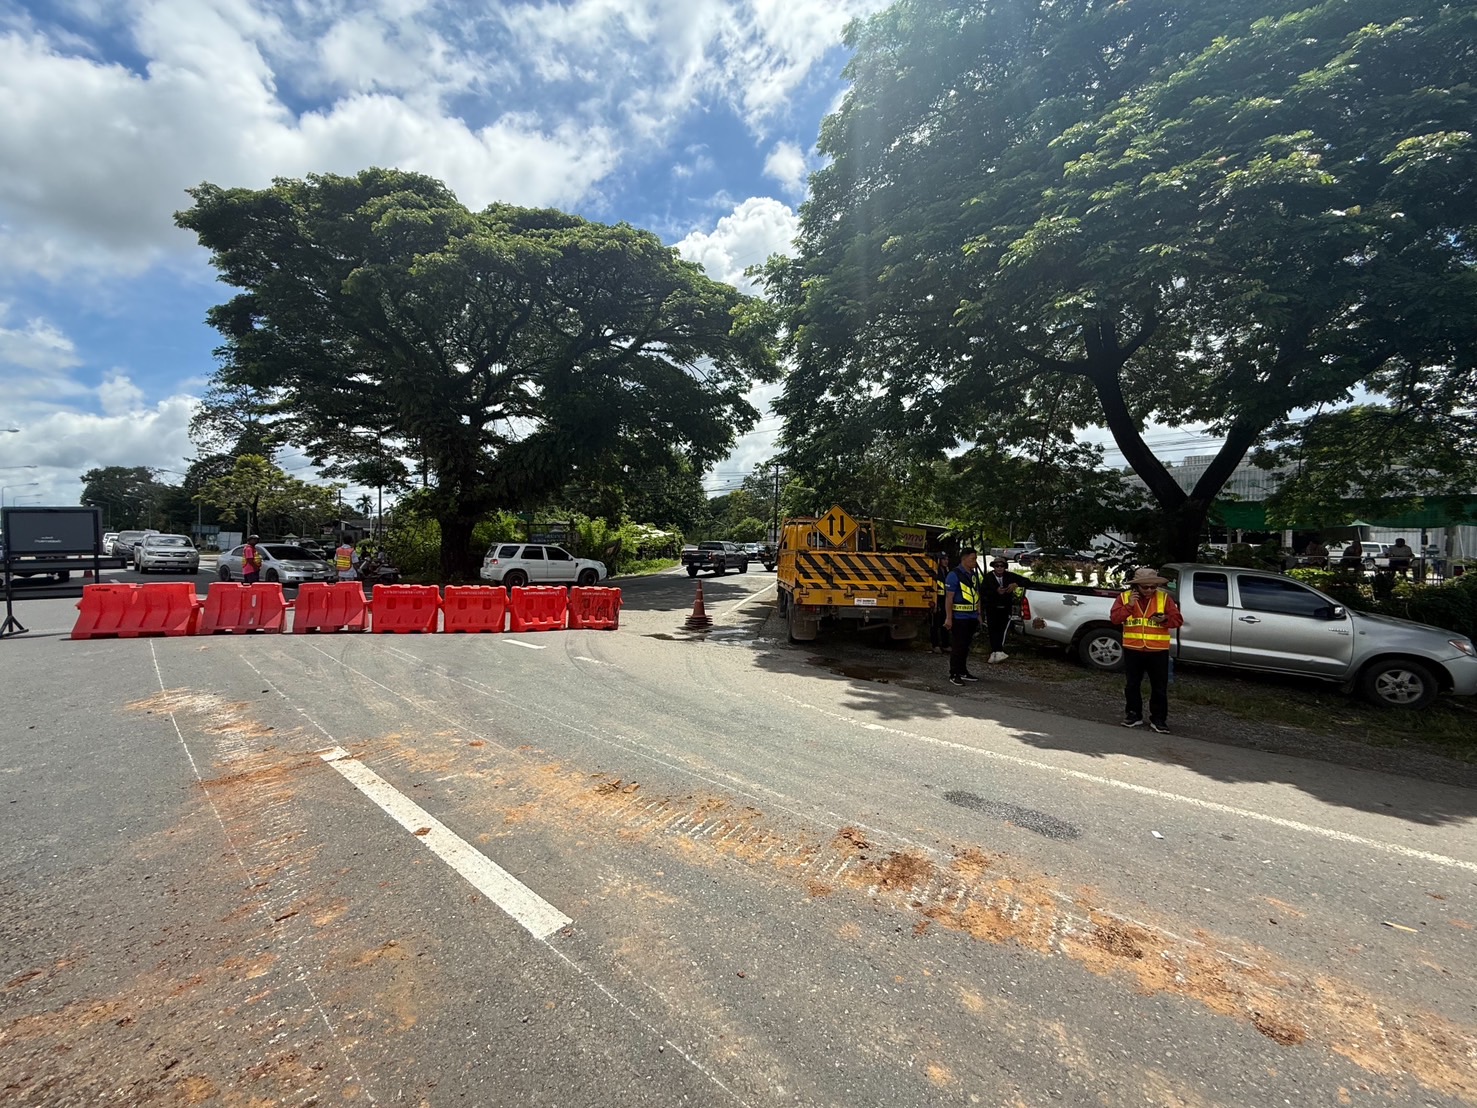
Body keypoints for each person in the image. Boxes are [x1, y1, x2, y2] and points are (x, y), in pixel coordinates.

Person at [1110, 566, 1184, 733]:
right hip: (1133, 648)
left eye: (1153, 586)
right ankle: (1133, 715)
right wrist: (1129, 606)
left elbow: (1178, 620)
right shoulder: (1124, 597)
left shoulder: (1164, 598)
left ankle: (1159, 719)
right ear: (1136, 586)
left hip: (1158, 650)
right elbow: (1115, 619)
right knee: (1132, 685)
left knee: (1159, 687)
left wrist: (1164, 619)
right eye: (1145, 587)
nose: (1150, 590)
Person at [942, 548, 983, 686]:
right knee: (958, 646)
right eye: (972, 559)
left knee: (965, 646)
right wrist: (949, 618)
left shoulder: (972, 574)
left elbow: (976, 595)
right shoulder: (954, 575)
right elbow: (949, 598)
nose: (975, 562)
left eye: (975, 559)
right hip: (959, 617)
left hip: (971, 616)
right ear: (964, 559)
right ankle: (954, 673)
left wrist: (978, 614)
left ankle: (963, 671)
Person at [981, 556, 1030, 663]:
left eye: (1001, 566)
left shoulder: (1010, 576)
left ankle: (998, 651)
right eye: (997, 566)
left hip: (1005, 608)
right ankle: (995, 651)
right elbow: (983, 592)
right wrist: (996, 591)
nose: (999, 568)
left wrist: (1016, 584)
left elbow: (1027, 581)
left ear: (1005, 567)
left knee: (1002, 630)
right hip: (992, 608)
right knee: (992, 630)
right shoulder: (988, 577)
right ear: (993, 567)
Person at [929, 553, 952, 654]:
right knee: (935, 624)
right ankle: (935, 645)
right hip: (936, 600)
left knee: (945, 623)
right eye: (943, 559)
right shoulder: (935, 571)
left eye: (947, 559)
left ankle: (945, 644)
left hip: (945, 600)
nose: (946, 561)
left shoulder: (947, 571)